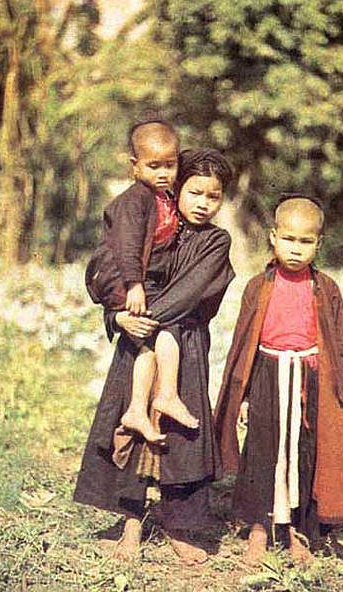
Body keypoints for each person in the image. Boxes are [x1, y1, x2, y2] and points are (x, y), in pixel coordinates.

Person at [74, 148, 235, 565]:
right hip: (139, 342)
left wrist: (137, 318)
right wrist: (117, 315)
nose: (203, 203)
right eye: (195, 192)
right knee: (132, 427)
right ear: (177, 188)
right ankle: (130, 524)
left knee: (178, 442)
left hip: (184, 344)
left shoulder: (216, 241)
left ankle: (176, 526)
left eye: (213, 197)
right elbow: (106, 264)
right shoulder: (152, 226)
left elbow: (190, 293)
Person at [214, 195, 343, 566]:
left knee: (303, 452)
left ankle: (298, 530)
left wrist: (332, 392)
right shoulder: (258, 287)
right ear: (273, 237)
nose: (296, 250)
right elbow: (243, 346)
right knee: (262, 451)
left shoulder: (325, 289)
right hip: (267, 373)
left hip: (308, 378)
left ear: (318, 243)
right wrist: (244, 396)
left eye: (305, 241)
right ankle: (259, 529)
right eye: (289, 239)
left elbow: (340, 344)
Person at [86, 119, 199, 445]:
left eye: (170, 165)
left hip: (145, 280)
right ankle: (165, 395)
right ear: (134, 166)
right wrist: (134, 285)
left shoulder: (163, 196)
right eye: (153, 166)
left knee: (147, 347)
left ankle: (138, 408)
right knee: (163, 334)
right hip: (127, 280)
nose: (163, 173)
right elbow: (127, 245)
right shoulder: (137, 199)